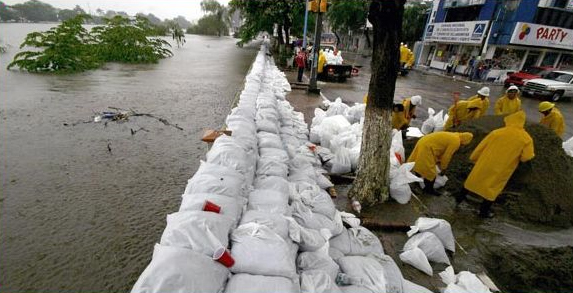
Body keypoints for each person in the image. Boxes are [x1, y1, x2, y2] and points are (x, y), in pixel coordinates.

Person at [456, 111, 534, 218]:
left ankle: (458, 199)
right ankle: (483, 212)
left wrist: (473, 158)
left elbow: (481, 147)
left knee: (472, 181)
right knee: (492, 190)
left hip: (485, 163)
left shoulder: (497, 132)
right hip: (502, 168)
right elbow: (527, 157)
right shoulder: (526, 139)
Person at [408, 132, 474, 196]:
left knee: (420, 162)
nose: (462, 146)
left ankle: (417, 180)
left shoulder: (454, 136)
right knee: (430, 172)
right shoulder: (456, 142)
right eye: (463, 145)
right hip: (427, 147)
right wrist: (443, 168)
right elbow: (447, 156)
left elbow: (440, 148)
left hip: (423, 141)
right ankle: (428, 189)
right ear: (464, 141)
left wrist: (438, 161)